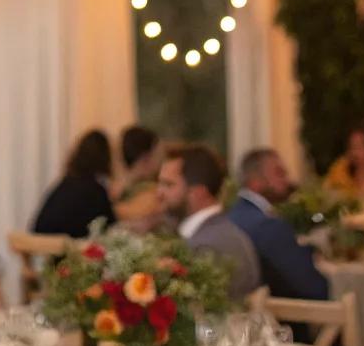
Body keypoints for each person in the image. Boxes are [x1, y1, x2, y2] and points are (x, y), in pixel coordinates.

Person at [157, 144, 259, 301]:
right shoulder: (222, 231)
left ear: (198, 193)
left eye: (168, 185)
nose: (159, 193)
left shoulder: (205, 247)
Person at [229, 148, 330, 301]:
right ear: (255, 181)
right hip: (280, 319)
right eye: (279, 173)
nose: (287, 179)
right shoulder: (267, 225)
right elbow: (313, 288)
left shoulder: (233, 216)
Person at [32, 130, 116, 239]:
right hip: (68, 251)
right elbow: (111, 227)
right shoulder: (95, 191)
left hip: (42, 249)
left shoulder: (65, 184)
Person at [114, 125, 161, 227]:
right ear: (146, 157)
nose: (161, 161)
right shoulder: (154, 195)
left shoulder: (113, 192)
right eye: (157, 154)